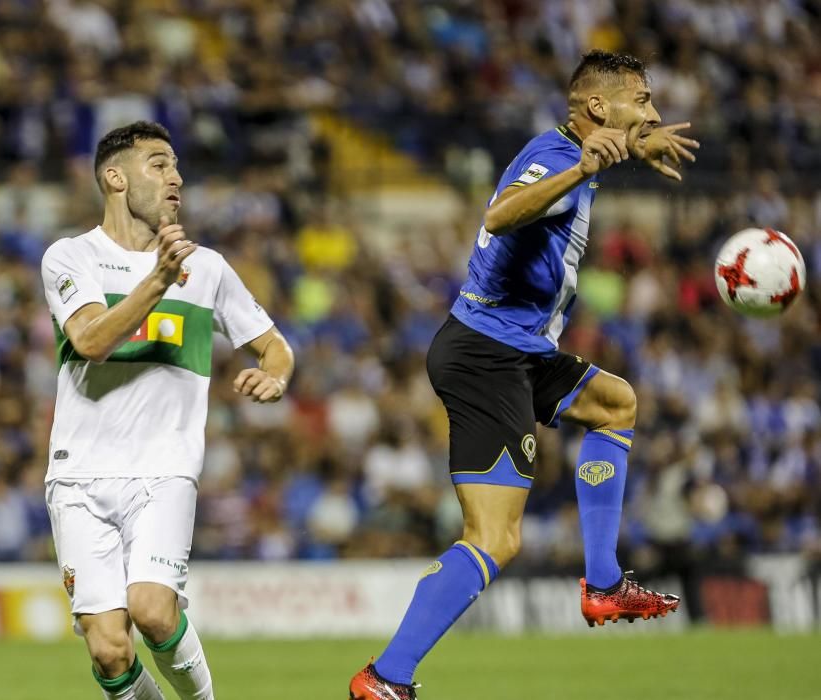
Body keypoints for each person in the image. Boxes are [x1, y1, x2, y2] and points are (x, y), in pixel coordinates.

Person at [349, 50, 700, 700]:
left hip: (521, 351)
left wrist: (638, 143)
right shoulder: (556, 157)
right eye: (642, 101)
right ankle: (384, 679)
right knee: (495, 540)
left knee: (614, 403)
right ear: (598, 108)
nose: (653, 113)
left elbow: (604, 150)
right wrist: (579, 173)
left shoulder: (580, 150)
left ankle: (602, 585)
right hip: (486, 357)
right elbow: (501, 213)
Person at [41, 120, 294, 700]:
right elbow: (91, 341)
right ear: (115, 177)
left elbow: (273, 344)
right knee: (109, 650)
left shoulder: (206, 268)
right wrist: (157, 280)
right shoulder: (70, 257)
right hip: (78, 474)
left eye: (176, 166)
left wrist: (276, 376)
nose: (175, 177)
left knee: (153, 612)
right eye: (158, 164)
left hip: (163, 469)